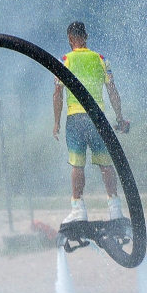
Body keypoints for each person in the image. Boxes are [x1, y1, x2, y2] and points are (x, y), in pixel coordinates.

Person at [52, 21, 127, 224]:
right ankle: (115, 208)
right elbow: (112, 91)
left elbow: (57, 94)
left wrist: (56, 123)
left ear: (70, 39)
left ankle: (78, 208)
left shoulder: (64, 60)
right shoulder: (101, 59)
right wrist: (119, 118)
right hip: (98, 118)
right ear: (86, 37)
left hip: (75, 118)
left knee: (77, 165)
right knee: (106, 164)